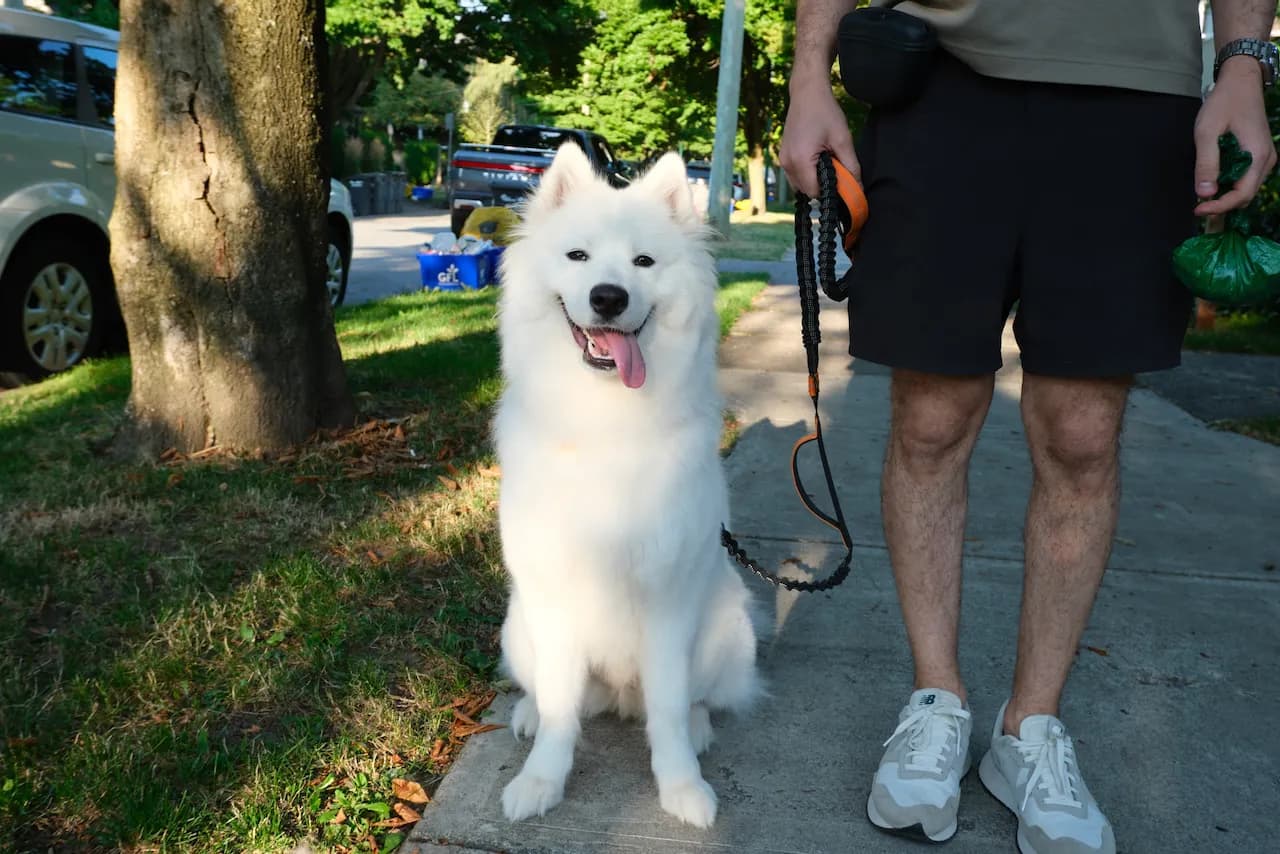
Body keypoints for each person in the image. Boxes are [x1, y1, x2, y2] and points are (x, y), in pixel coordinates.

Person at [779, 1, 1276, 852]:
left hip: (1135, 100)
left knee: (1084, 433)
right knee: (931, 417)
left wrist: (1243, 60)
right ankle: (937, 700)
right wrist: (808, 71)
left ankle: (1029, 728)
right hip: (938, 83)